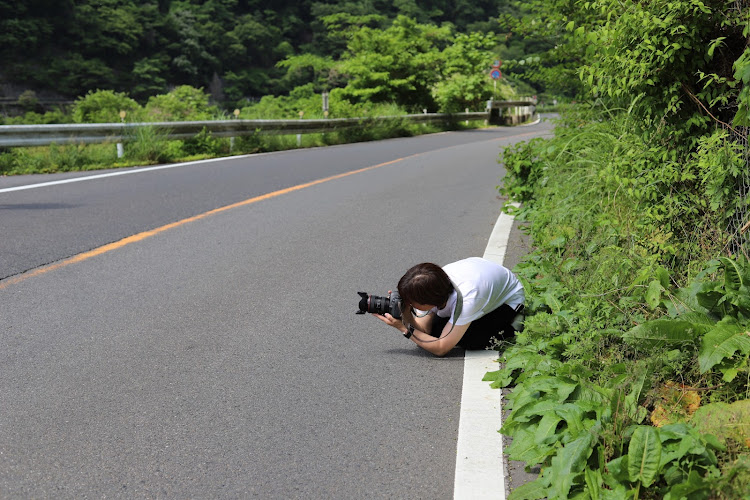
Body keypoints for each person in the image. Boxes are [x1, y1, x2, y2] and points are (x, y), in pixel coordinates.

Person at [373, 257, 524, 356]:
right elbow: (424, 329)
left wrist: (404, 329)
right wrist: (405, 313)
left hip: (508, 301)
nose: (410, 304)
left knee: (470, 340)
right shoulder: (433, 283)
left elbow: (441, 348)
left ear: (430, 300)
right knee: (434, 331)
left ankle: (515, 325)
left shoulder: (466, 299)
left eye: (411, 302)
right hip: (482, 283)